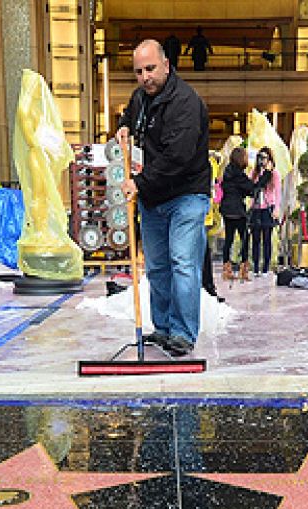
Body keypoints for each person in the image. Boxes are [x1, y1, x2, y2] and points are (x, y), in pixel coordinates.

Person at [117, 39, 212, 356]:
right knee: (157, 267)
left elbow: (178, 157)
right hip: (153, 197)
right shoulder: (140, 98)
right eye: (139, 71)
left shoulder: (185, 103)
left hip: (186, 194)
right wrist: (123, 127)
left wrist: (140, 184)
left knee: (183, 263)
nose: (145, 77)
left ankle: (183, 333)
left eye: (150, 69)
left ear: (167, 65)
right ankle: (164, 328)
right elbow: (129, 115)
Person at [218, 145, 262, 281]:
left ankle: (226, 270)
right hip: (238, 211)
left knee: (229, 240)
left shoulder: (227, 172)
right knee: (244, 239)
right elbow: (251, 189)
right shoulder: (240, 176)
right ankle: (244, 271)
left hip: (226, 209)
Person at [247, 146, 282, 276]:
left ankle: (266, 268)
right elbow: (252, 189)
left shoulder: (274, 174)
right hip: (256, 207)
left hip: (268, 207)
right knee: (255, 239)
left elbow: (278, 192)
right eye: (260, 157)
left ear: (270, 159)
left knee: (267, 238)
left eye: (265, 157)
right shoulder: (255, 173)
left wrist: (277, 208)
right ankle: (255, 266)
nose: (262, 160)